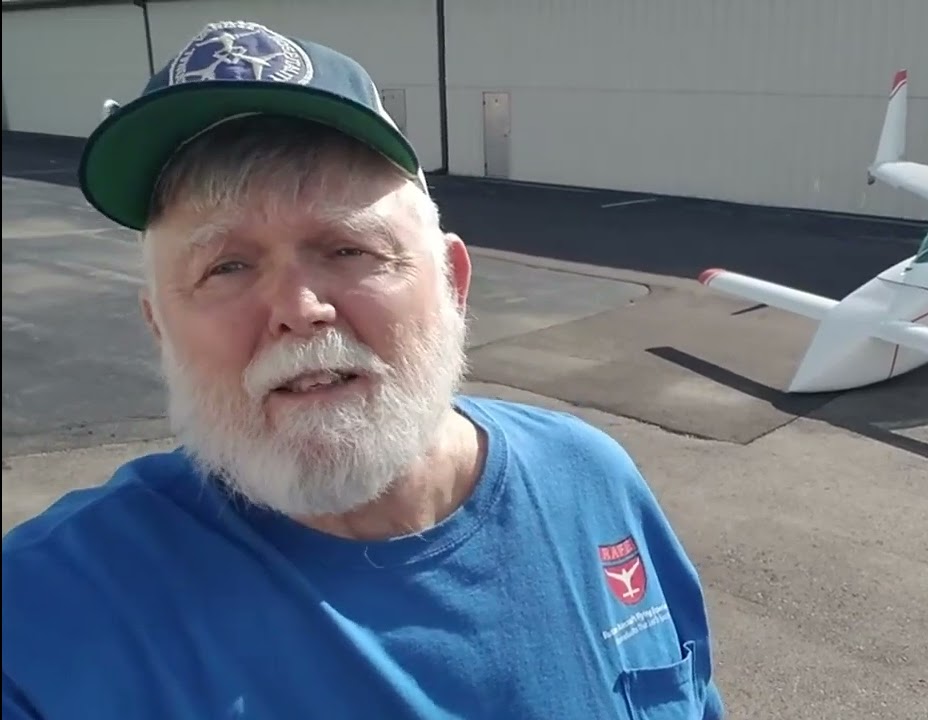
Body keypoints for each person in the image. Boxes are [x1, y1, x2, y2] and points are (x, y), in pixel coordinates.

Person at [2, 19, 724, 720]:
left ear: (453, 281)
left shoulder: (592, 482)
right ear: (159, 328)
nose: (299, 307)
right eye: (225, 265)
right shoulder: (42, 616)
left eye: (348, 248)